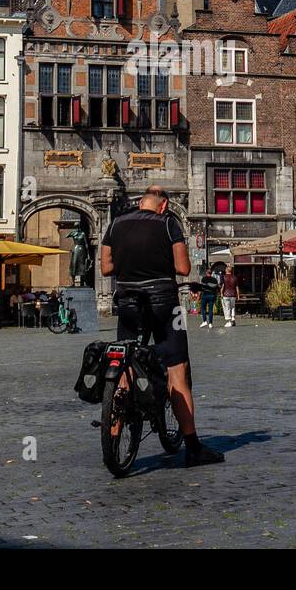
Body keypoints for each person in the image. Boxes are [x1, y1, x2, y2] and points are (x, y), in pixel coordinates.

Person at [100, 186, 224, 467]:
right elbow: (183, 268)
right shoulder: (168, 223)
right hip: (164, 303)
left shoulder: (115, 223)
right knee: (177, 370)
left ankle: (113, 434)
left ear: (140, 202)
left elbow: (106, 268)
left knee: (125, 367)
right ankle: (193, 447)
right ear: (163, 205)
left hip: (128, 304)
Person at [197, 264, 220, 328]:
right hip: (212, 295)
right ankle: (210, 323)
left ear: (206, 272)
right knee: (210, 310)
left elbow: (201, 288)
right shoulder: (215, 280)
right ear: (211, 273)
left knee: (203, 308)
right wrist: (216, 295)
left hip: (205, 295)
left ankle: (204, 321)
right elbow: (217, 289)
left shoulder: (203, 279)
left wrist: (199, 295)